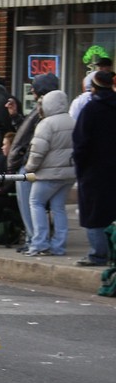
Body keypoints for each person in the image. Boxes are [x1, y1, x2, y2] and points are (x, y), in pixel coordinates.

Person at [6, 73, 59, 253]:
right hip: (30, 164)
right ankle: (33, 238)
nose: (32, 90)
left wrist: (25, 163)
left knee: (32, 205)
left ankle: (35, 240)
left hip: (30, 166)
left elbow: (35, 141)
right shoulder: (40, 110)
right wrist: (15, 117)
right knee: (33, 205)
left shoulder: (44, 111)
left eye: (35, 86)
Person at [72, 70, 116, 267]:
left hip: (93, 169)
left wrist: (80, 167)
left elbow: (80, 142)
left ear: (94, 88)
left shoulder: (91, 109)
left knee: (93, 212)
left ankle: (98, 254)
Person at [23, 90, 75, 257]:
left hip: (47, 174)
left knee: (36, 203)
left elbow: (38, 151)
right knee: (58, 208)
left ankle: (39, 244)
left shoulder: (46, 124)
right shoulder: (73, 121)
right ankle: (58, 246)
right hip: (68, 174)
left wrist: (29, 168)